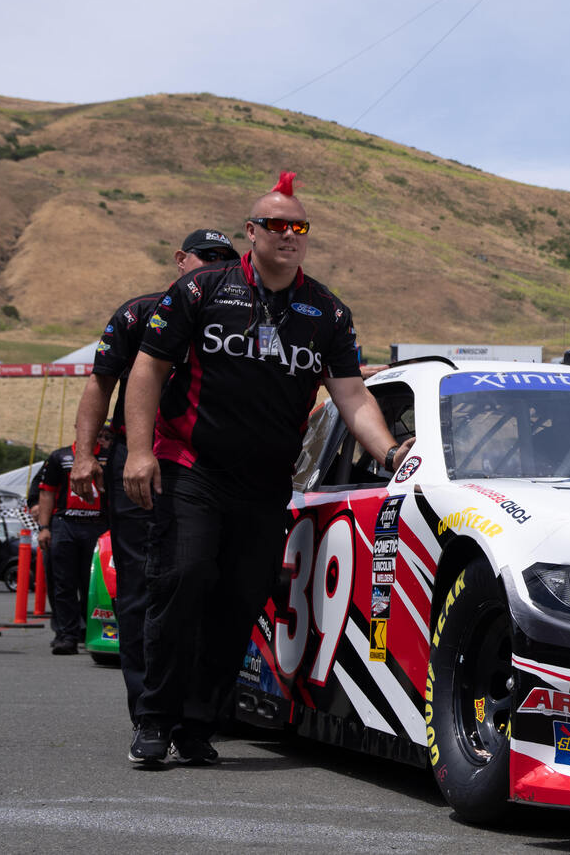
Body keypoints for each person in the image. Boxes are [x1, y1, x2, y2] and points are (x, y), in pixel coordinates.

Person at [121, 172, 414, 768]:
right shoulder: (203, 288)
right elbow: (147, 369)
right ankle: (154, 718)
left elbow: (353, 396)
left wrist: (390, 454)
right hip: (190, 466)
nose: (288, 235)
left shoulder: (327, 310)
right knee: (184, 578)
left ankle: (199, 724)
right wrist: (137, 450)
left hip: (266, 483)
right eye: (276, 225)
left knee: (240, 599)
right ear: (251, 232)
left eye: (298, 227)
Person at [68, 228, 240, 720]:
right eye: (205, 257)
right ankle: (149, 712)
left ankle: (197, 710)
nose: (213, 265)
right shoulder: (137, 311)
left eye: (224, 259)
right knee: (146, 580)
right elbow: (100, 385)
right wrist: (85, 456)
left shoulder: (235, 314)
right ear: (180, 259)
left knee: (203, 579)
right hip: (139, 457)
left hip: (207, 462)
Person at [35, 439, 109, 654]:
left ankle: (93, 633)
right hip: (65, 524)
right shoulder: (60, 456)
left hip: (98, 525)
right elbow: (47, 492)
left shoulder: (109, 455)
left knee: (93, 585)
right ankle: (66, 635)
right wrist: (44, 527)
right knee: (63, 583)